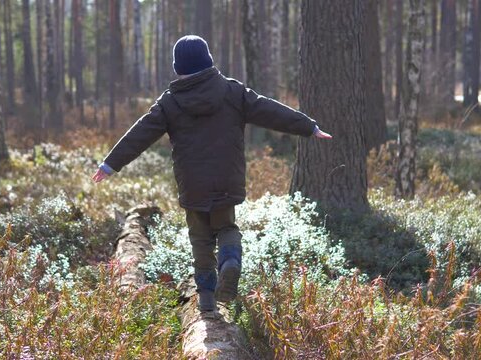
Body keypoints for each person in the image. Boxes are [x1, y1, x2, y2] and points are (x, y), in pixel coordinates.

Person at [92, 35, 332, 312]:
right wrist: (308, 127)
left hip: (192, 183)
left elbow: (140, 134)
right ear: (208, 60)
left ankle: (206, 297)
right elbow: (269, 110)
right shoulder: (232, 91)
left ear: (177, 67)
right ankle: (230, 260)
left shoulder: (169, 102)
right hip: (226, 177)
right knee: (227, 227)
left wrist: (110, 164)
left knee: (200, 239)